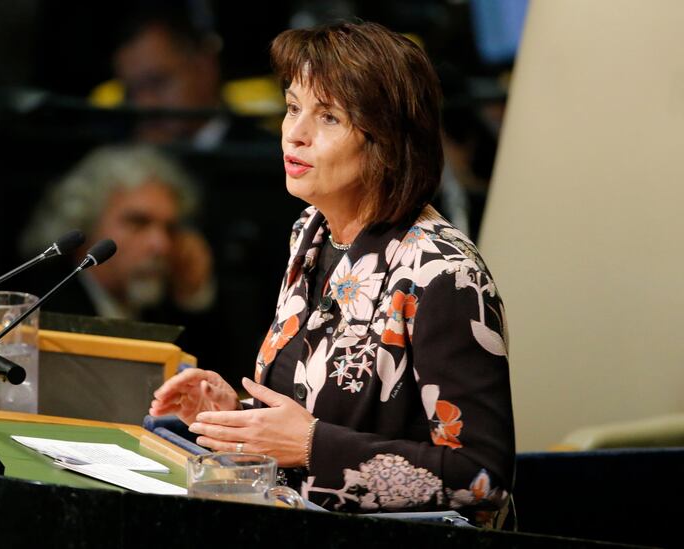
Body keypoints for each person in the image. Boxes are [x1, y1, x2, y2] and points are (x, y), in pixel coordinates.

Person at [149, 22, 514, 522]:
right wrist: (237, 418)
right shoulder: (311, 232)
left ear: (386, 141)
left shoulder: (445, 275)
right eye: (294, 107)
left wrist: (311, 447)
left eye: (329, 118)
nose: (295, 134)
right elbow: (309, 419)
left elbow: (482, 479)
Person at [20, 144, 216, 363]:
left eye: (170, 228)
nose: (161, 244)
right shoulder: (43, 310)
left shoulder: (163, 307)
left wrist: (192, 292)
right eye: (138, 222)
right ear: (86, 223)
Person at [112, 4, 273, 148]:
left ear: (204, 68)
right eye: (132, 91)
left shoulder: (269, 158)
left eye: (157, 82)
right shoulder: (117, 162)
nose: (144, 104)